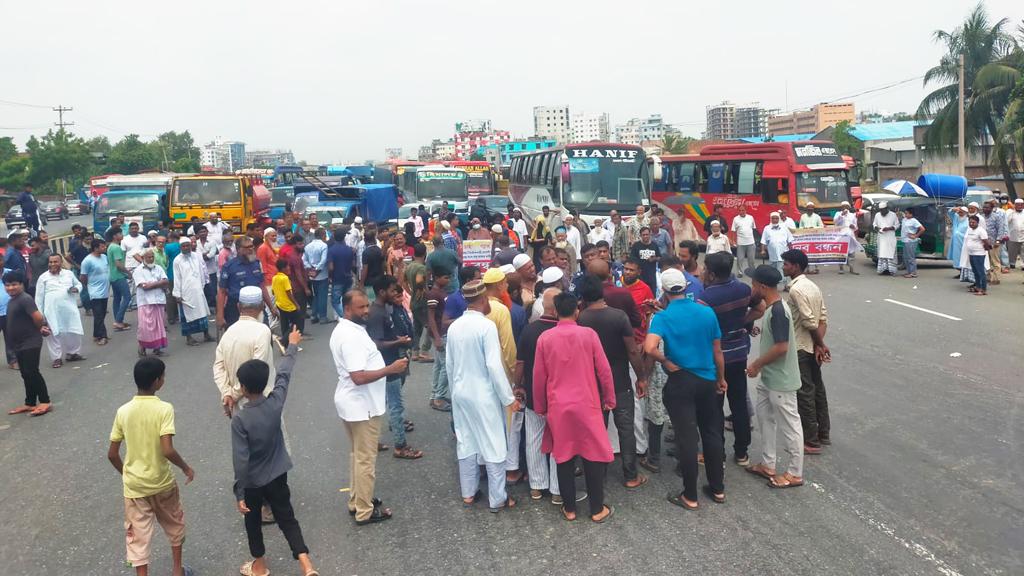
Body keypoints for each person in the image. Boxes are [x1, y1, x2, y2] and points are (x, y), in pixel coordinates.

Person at [231, 327, 319, 576]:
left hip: (252, 482)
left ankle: (259, 566)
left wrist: (239, 492)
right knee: (287, 517)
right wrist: (291, 345)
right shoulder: (275, 403)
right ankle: (306, 564)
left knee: (252, 523)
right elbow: (284, 374)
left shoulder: (240, 420)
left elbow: (241, 459)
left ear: (244, 387)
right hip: (278, 472)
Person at [643, 268, 726, 509]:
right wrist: (721, 378)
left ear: (664, 291)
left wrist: (666, 361)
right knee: (711, 433)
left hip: (680, 381)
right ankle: (718, 488)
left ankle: (690, 495)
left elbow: (649, 348)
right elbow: (717, 352)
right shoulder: (706, 312)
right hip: (707, 379)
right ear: (686, 287)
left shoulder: (663, 318)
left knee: (686, 437)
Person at [107, 356, 195, 576]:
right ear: (157, 381)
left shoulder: (123, 411)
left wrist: (126, 473)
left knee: (138, 537)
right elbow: (167, 449)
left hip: (135, 488)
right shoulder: (164, 409)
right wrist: (185, 467)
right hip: (162, 482)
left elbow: (112, 454)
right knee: (174, 524)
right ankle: (177, 571)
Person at [533, 292, 616, 522]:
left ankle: (569, 509)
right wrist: (609, 398)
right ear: (577, 310)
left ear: (556, 311)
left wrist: (540, 405)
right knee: (593, 455)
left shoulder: (545, 339)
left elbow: (539, 376)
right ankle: (597, 509)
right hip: (587, 404)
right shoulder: (588, 335)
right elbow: (604, 370)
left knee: (564, 456)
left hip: (559, 406)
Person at [332, 290, 407, 524]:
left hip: (354, 404)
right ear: (347, 309)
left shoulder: (348, 330)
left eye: (366, 306)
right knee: (366, 459)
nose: (365, 311)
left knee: (358, 456)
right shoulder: (350, 336)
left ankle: (358, 501)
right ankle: (364, 510)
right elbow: (358, 377)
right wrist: (390, 369)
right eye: (360, 308)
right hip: (360, 405)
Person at [445, 280, 519, 512]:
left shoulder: (455, 327)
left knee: (466, 441)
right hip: (483, 395)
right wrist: (508, 399)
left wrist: (454, 393)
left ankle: (469, 492)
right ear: (484, 299)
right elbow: (494, 367)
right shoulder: (486, 327)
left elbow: (449, 365)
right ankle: (498, 498)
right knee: (494, 443)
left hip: (460, 393)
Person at [577, 275, 648, 489]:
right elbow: (632, 351)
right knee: (626, 428)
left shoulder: (581, 319)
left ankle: (600, 474)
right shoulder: (619, 317)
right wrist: (642, 377)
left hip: (593, 384)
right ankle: (630, 475)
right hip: (620, 382)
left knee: (598, 429)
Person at [744, 265, 804, 489]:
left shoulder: (778, 311)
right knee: (765, 419)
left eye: (753, 284)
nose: (751, 288)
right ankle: (768, 464)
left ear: (762, 286)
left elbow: (781, 347)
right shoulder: (772, 308)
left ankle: (795, 473)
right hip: (769, 379)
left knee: (790, 426)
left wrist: (756, 365)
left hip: (781, 380)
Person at [698, 251, 757, 466]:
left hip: (715, 358)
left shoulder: (705, 299)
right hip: (739, 353)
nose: (702, 272)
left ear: (711, 274)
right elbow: (759, 307)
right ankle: (742, 452)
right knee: (738, 402)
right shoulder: (743, 289)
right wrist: (742, 321)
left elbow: (702, 329)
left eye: (704, 269)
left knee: (714, 407)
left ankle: (717, 454)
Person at [514, 287, 570, 503]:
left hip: (534, 395)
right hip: (559, 396)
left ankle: (537, 487)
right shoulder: (566, 332)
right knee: (559, 441)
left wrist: (517, 386)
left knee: (534, 439)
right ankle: (557, 490)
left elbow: (520, 363)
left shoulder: (529, 331)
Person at [367, 275, 423, 460]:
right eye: (392, 291)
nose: (396, 293)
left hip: (390, 363)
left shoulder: (386, 309)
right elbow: (376, 343)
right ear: (382, 292)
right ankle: (400, 446)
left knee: (383, 403)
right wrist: (398, 341)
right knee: (395, 404)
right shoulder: (377, 313)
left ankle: (370, 441)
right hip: (387, 365)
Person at [781, 249, 830, 454]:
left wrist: (819, 344)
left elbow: (810, 322)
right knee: (817, 389)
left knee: (805, 393)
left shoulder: (796, 290)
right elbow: (822, 318)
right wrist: (819, 344)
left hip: (801, 346)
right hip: (811, 345)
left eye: (787, 264)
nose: (784, 267)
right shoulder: (812, 286)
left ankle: (811, 440)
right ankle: (823, 433)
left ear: (796, 267)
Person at [4, 270, 52, 416]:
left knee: (32, 371)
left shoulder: (25, 299)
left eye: (14, 285)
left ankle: (45, 401)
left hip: (30, 342)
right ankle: (30, 402)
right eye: (7, 285)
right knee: (25, 373)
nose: (11, 288)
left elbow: (37, 317)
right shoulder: (13, 300)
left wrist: (39, 327)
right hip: (19, 344)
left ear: (21, 284)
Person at [35, 253, 85, 368]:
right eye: (50, 262)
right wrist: (41, 316)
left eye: (55, 261)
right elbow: (38, 298)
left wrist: (76, 288)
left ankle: (73, 354)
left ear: (61, 262)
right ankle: (56, 358)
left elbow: (78, 284)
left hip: (69, 309)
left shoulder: (68, 274)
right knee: (53, 334)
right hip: (51, 311)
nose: (52, 264)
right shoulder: (43, 277)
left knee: (73, 331)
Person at [218, 237, 276, 330]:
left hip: (257, 306)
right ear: (238, 249)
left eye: (252, 246)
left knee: (264, 335)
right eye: (247, 247)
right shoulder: (229, 267)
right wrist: (220, 316)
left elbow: (262, 286)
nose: (251, 249)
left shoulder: (257, 264)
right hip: (236, 308)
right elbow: (222, 292)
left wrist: (271, 307)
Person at [171, 238, 213, 346]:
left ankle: (206, 334)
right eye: (183, 246)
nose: (186, 248)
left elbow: (202, 270)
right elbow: (177, 278)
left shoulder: (196, 256)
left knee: (202, 312)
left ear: (191, 246)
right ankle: (189, 338)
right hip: (185, 291)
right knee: (188, 315)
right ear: (180, 247)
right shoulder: (177, 260)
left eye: (187, 246)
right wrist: (177, 294)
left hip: (198, 289)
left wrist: (203, 284)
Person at [133, 250, 169, 357]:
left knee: (159, 326)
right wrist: (159, 283)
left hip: (159, 301)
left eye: (152, 257)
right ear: (143, 257)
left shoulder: (158, 268)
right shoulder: (138, 271)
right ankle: (142, 347)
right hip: (145, 302)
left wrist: (152, 284)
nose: (151, 259)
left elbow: (166, 281)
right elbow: (144, 287)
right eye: (148, 257)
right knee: (145, 328)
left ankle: (157, 349)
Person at [81, 238, 111, 345]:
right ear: (95, 248)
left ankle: (96, 333)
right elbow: (83, 277)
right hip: (95, 291)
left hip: (105, 290)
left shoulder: (104, 257)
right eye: (102, 246)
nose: (105, 248)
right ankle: (102, 336)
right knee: (98, 314)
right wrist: (89, 286)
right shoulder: (87, 261)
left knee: (102, 313)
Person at [404, 243, 431, 362]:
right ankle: (424, 351)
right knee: (430, 325)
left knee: (417, 327)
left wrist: (411, 292)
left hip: (414, 300)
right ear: (425, 254)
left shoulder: (409, 266)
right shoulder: (421, 268)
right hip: (422, 301)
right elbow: (419, 280)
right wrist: (422, 290)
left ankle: (415, 352)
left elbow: (403, 282)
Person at [302, 228, 329, 324]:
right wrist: (317, 269)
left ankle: (314, 315)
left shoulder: (308, 246)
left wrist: (310, 268)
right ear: (322, 235)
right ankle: (322, 317)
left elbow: (304, 259)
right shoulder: (324, 245)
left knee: (315, 295)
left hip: (311, 275)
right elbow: (323, 260)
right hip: (322, 274)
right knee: (322, 296)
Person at [108, 227, 132, 331]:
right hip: (119, 276)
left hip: (113, 276)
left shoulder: (110, 247)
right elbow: (118, 264)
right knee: (127, 297)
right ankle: (118, 321)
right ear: (115, 236)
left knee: (117, 299)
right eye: (120, 233)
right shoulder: (116, 248)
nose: (122, 235)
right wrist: (128, 272)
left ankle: (119, 321)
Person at [273, 259, 302, 345]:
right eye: (287, 266)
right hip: (289, 306)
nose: (289, 268)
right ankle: (284, 340)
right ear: (283, 268)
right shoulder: (285, 278)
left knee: (284, 324)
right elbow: (289, 293)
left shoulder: (275, 278)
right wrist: (296, 304)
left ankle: (285, 344)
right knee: (296, 325)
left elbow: (273, 291)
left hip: (280, 304)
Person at [760, 212, 794, 285]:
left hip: (783, 252)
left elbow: (789, 239)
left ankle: (786, 285)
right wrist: (762, 250)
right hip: (772, 254)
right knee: (773, 271)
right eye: (773, 218)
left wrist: (791, 250)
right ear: (771, 219)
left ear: (779, 219)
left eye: (776, 218)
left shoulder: (784, 227)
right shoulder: (767, 228)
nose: (775, 220)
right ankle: (773, 285)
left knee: (783, 269)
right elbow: (763, 241)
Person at [982, 200, 1009, 285]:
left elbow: (1000, 230)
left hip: (994, 243)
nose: (985, 209)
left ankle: (996, 279)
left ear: (992, 208)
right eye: (984, 207)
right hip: (984, 243)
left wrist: (998, 241)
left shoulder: (997, 217)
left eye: (987, 207)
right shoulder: (982, 217)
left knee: (995, 261)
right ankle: (989, 277)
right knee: (987, 261)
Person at [629, 227, 661, 295]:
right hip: (639, 276)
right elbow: (632, 260)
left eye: (647, 234)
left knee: (652, 295)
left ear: (650, 235)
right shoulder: (636, 245)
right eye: (643, 235)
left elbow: (659, 257)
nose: (645, 236)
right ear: (640, 235)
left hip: (651, 275)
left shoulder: (654, 245)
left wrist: (654, 259)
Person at [964, 215, 990, 295]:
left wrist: (985, 249)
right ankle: (977, 287)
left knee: (980, 272)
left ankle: (983, 289)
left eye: (973, 222)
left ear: (977, 223)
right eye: (970, 222)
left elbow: (986, 242)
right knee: (975, 271)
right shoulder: (969, 230)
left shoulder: (981, 231)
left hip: (979, 254)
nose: (971, 224)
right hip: (971, 253)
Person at [833, 201, 861, 275]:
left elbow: (856, 226)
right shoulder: (838, 214)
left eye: (846, 206)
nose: (845, 208)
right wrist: (842, 215)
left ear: (849, 207)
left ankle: (852, 269)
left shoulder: (852, 215)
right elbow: (835, 222)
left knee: (851, 253)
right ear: (841, 207)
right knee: (841, 253)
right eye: (843, 206)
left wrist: (853, 227)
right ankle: (841, 268)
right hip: (841, 236)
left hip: (850, 236)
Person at [872, 202, 899, 275]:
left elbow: (897, 225)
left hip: (890, 237)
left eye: (883, 210)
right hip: (881, 237)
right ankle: (883, 270)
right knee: (882, 253)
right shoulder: (877, 215)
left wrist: (889, 228)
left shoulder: (893, 215)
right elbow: (874, 224)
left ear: (887, 209)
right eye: (880, 210)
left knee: (890, 253)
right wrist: (877, 228)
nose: (882, 212)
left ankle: (891, 271)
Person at [730, 204, 757, 277]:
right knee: (740, 259)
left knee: (751, 259)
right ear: (738, 211)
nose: (741, 212)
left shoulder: (751, 217)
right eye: (740, 210)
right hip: (741, 243)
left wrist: (754, 240)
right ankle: (740, 272)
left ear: (746, 210)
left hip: (751, 242)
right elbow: (733, 231)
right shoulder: (735, 219)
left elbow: (753, 229)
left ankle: (752, 272)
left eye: (743, 210)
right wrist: (732, 241)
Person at [899, 208, 926, 279]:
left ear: (911, 214)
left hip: (911, 241)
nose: (906, 214)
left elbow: (922, 229)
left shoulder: (914, 221)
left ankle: (913, 273)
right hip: (904, 240)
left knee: (910, 257)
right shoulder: (904, 219)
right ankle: (909, 271)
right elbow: (900, 216)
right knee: (905, 257)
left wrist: (916, 236)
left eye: (907, 213)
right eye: (905, 213)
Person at [1007, 199, 1024, 269]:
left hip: (1023, 235)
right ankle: (1012, 263)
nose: (1019, 206)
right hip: (1012, 236)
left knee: (1023, 251)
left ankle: (1023, 264)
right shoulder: (1010, 212)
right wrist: (1013, 211)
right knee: (1012, 251)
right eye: (1017, 204)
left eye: (1021, 204)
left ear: (1023, 205)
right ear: (1014, 205)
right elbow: (1007, 220)